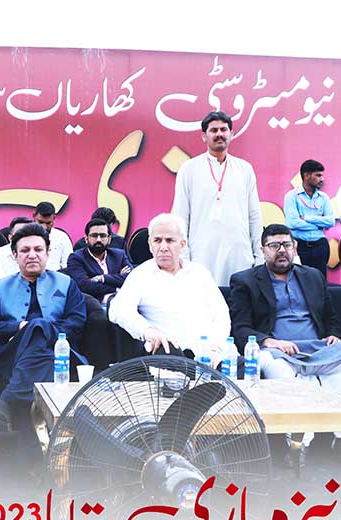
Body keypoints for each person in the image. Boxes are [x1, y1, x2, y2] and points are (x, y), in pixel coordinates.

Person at [228, 224, 341, 467]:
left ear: (295, 247)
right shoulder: (245, 281)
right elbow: (240, 328)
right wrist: (270, 341)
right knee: (278, 369)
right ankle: (298, 444)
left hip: (318, 349)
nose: (281, 250)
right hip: (276, 351)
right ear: (263, 250)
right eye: (274, 245)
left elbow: (331, 318)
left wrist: (334, 336)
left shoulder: (312, 276)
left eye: (286, 244)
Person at [0, 224, 86, 438]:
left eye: (38, 249)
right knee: (37, 329)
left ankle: (6, 403)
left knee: (39, 327)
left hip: (59, 352)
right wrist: (17, 327)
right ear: (14, 255)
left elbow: (76, 321)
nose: (32, 255)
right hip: (11, 353)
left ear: (48, 253)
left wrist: (45, 330)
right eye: (25, 250)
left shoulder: (66, 284)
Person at [109, 214, 230, 359]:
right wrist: (148, 331)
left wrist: (215, 348)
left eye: (170, 240)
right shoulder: (141, 275)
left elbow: (221, 316)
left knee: (245, 366)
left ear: (182, 244)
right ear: (150, 244)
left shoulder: (200, 273)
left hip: (211, 353)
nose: (163, 248)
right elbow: (118, 310)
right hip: (170, 355)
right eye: (157, 241)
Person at [172, 111, 264, 285]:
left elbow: (254, 216)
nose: (219, 134)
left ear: (231, 133)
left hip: (239, 254)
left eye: (224, 129)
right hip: (201, 254)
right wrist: (184, 257)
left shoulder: (244, 169)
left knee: (238, 298)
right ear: (204, 136)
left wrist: (259, 256)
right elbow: (180, 217)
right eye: (214, 130)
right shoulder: (189, 169)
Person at [283, 159, 334, 277]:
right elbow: (292, 223)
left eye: (322, 175)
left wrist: (307, 218)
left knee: (320, 280)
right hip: (299, 245)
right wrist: (318, 225)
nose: (322, 179)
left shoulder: (324, 197)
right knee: (298, 281)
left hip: (320, 245)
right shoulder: (292, 196)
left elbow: (330, 221)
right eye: (318, 175)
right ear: (306, 176)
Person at [65, 218, 133, 303]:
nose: (98, 239)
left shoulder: (119, 255)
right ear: (86, 239)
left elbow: (132, 278)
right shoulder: (76, 258)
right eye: (94, 235)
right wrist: (117, 286)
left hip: (124, 302)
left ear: (109, 239)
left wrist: (102, 278)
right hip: (95, 305)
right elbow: (85, 286)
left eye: (103, 235)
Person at [0, 216, 35, 284]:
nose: (24, 239)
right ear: (10, 238)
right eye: (19, 235)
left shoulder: (40, 254)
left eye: (28, 235)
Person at [31, 201, 73, 269]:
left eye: (48, 223)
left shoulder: (62, 237)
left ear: (54, 218)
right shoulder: (23, 237)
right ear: (33, 216)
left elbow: (67, 265)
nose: (44, 227)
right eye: (40, 222)